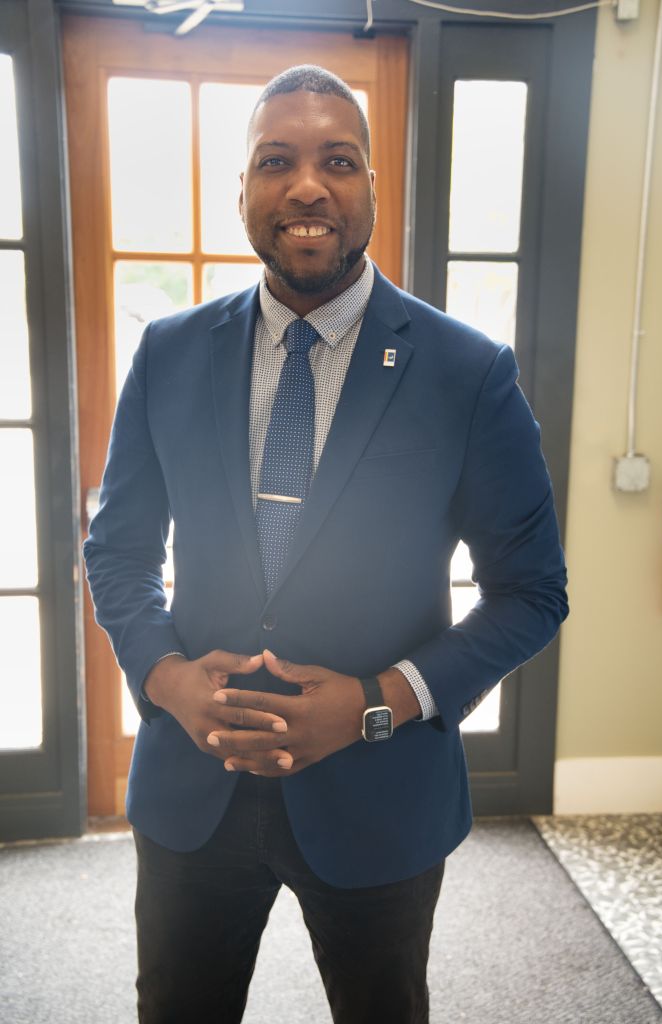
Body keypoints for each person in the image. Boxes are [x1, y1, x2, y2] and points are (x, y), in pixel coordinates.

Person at [84, 65, 568, 1024]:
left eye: (337, 161)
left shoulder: (467, 373)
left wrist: (376, 705)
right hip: (193, 786)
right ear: (243, 191)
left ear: (372, 188)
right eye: (276, 161)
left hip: (379, 796)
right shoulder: (168, 352)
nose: (306, 187)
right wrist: (168, 681)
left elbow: (530, 593)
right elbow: (118, 550)